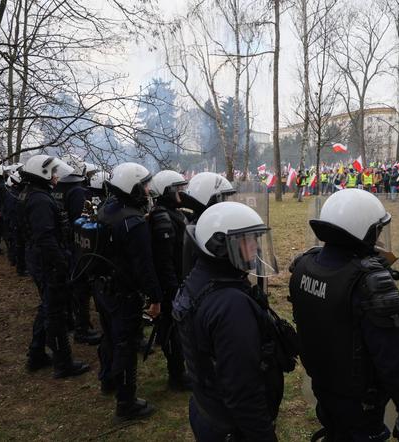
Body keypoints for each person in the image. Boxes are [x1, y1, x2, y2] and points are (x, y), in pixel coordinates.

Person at [289, 189, 399, 441]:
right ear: (364, 231)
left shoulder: (305, 266)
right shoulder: (370, 283)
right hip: (361, 402)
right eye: (377, 231)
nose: (380, 237)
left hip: (323, 384)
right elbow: (392, 359)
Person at [173, 201, 285, 441]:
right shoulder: (230, 305)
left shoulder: (198, 279)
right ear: (220, 247)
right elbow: (243, 391)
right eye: (248, 240)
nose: (256, 247)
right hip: (232, 426)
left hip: (207, 408)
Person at [94, 162, 162, 422]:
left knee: (109, 337)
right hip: (123, 294)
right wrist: (155, 298)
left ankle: (107, 381)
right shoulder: (133, 223)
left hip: (102, 288)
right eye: (144, 185)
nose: (147, 190)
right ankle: (126, 403)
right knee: (126, 344)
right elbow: (145, 267)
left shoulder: (107, 209)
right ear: (132, 187)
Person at [19, 154, 90, 378]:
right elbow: (46, 237)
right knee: (56, 313)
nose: (56, 176)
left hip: (41, 259)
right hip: (47, 261)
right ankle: (63, 364)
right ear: (42, 173)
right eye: (53, 172)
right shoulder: (39, 199)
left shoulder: (33, 193)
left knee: (47, 307)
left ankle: (36, 354)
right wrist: (60, 264)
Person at [148, 170, 191, 391]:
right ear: (166, 191)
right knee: (172, 330)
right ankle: (177, 375)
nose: (182, 193)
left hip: (178, 280)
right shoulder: (163, 218)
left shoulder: (171, 213)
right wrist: (173, 289)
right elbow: (164, 260)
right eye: (177, 189)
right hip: (171, 284)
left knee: (176, 328)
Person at [52, 156, 100, 345]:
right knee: (81, 287)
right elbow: (81, 222)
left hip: (62, 243)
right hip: (75, 246)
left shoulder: (57, 188)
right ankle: (82, 329)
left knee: (70, 286)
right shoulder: (78, 191)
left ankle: (71, 322)